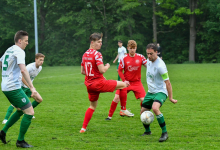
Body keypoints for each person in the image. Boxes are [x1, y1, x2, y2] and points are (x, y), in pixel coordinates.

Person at [80, 33, 128, 133]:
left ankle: (83, 128)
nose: (100, 44)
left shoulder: (84, 54)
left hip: (89, 85)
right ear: (92, 42)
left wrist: (96, 74)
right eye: (98, 42)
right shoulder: (97, 54)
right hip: (99, 84)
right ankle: (123, 109)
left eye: (101, 42)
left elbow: (83, 71)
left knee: (92, 106)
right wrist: (107, 66)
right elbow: (102, 70)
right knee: (124, 85)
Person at [0, 30, 40, 148]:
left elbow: (1, 63)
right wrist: (32, 88)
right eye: (26, 41)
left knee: (19, 110)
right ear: (20, 40)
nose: (27, 43)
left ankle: (2, 132)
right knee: (29, 112)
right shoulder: (19, 51)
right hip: (13, 87)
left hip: (7, 86)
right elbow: (23, 70)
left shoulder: (10, 49)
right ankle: (20, 141)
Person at [141, 43, 177, 142]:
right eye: (147, 54)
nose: (148, 56)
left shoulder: (160, 65)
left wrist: (170, 98)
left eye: (151, 54)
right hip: (150, 92)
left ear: (156, 52)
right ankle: (147, 131)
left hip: (161, 91)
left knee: (155, 108)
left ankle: (164, 133)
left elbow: (168, 83)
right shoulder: (148, 60)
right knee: (142, 112)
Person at [106, 40, 147, 120]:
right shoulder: (123, 58)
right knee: (116, 98)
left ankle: (143, 113)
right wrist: (124, 80)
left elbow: (148, 66)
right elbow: (119, 70)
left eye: (134, 48)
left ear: (136, 48)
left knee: (144, 100)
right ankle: (109, 117)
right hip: (126, 83)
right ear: (128, 48)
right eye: (131, 48)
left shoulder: (141, 57)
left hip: (137, 83)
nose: (132, 50)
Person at [2, 53, 45, 124]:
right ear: (36, 60)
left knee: (39, 99)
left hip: (28, 87)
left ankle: (27, 112)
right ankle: (5, 119)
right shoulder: (30, 67)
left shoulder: (40, 68)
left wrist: (31, 87)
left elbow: (30, 79)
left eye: (43, 60)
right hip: (20, 86)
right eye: (40, 60)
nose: (41, 62)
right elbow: (22, 78)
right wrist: (31, 87)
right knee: (14, 104)